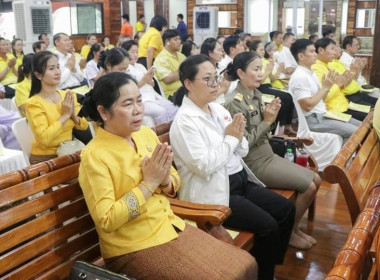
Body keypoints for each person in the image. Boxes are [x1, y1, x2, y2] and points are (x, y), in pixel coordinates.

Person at [78, 71, 257, 280]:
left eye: (139, 101)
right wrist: (149, 183)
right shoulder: (94, 155)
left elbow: (174, 180)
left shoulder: (145, 134)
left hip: (169, 225)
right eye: (127, 104)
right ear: (104, 112)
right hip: (132, 246)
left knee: (247, 263)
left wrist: (163, 180)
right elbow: (106, 220)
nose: (137, 110)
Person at [170, 54, 294, 280]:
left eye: (215, 77)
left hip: (240, 180)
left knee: (286, 210)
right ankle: (261, 273)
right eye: (207, 79)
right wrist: (230, 139)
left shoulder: (217, 109)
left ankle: (264, 266)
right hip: (216, 192)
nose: (215, 83)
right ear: (188, 84)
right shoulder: (185, 121)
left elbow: (243, 149)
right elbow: (203, 166)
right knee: (268, 227)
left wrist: (235, 137)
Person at [224, 51, 320, 250]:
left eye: (261, 69)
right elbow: (242, 145)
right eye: (256, 69)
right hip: (253, 163)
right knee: (309, 186)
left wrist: (270, 119)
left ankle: (292, 229)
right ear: (241, 73)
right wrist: (267, 121)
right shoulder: (234, 102)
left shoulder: (256, 94)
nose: (261, 74)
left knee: (317, 179)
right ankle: (289, 233)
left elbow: (264, 133)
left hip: (267, 154)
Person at [289, 39, 360, 144]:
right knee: (356, 132)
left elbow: (322, 99)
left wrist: (328, 88)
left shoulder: (310, 73)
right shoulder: (299, 76)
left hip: (324, 114)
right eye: (312, 52)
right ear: (301, 56)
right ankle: (342, 160)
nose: (315, 54)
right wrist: (325, 88)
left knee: (363, 126)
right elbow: (307, 106)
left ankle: (344, 156)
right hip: (313, 120)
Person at [25, 51, 88, 164]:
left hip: (69, 151)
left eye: (58, 67)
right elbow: (44, 139)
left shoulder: (68, 95)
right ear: (38, 75)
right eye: (51, 68)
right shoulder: (33, 103)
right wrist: (65, 116)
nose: (57, 72)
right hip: (47, 159)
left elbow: (84, 126)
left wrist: (72, 114)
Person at [311, 38, 372, 121]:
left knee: (374, 113)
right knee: (372, 118)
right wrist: (341, 84)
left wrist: (355, 71)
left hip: (345, 104)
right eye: (332, 48)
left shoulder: (329, 65)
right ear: (321, 50)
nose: (338, 49)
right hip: (335, 108)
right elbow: (324, 96)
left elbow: (343, 83)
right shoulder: (316, 68)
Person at [122, 40, 178, 125]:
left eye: (137, 52)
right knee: (161, 112)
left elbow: (152, 84)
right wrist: (144, 80)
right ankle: (163, 135)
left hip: (153, 95)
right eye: (132, 52)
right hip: (142, 99)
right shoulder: (125, 69)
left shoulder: (140, 66)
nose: (135, 55)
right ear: (125, 53)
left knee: (174, 108)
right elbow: (129, 89)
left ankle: (173, 132)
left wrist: (150, 80)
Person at [250, 40, 296, 136]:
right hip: (260, 87)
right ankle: (279, 128)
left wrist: (277, 70)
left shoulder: (265, 61)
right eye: (261, 50)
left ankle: (286, 125)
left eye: (263, 50)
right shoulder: (253, 63)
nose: (263, 52)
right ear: (253, 51)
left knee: (289, 96)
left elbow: (272, 78)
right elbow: (258, 81)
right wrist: (268, 70)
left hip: (268, 85)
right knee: (282, 101)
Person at [153, 29, 186, 100]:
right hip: (172, 95)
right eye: (175, 39)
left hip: (186, 90)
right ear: (167, 41)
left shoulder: (181, 56)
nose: (179, 42)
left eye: (179, 39)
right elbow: (167, 79)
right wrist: (186, 70)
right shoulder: (161, 59)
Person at [200, 37, 230, 104]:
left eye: (221, 51)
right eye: (218, 50)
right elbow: (207, 96)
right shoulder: (202, 71)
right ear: (210, 53)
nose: (221, 53)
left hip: (222, 102)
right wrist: (223, 88)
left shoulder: (221, 68)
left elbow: (224, 92)